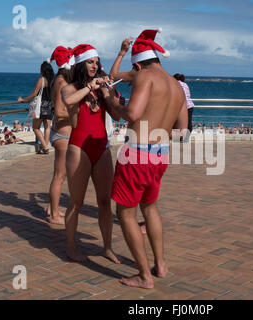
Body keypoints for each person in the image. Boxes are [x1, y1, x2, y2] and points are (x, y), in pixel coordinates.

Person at [104, 29, 188, 289]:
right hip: (161, 154)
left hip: (137, 154)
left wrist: (110, 100)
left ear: (138, 64)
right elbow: (181, 130)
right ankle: (160, 265)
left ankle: (144, 276)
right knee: (150, 207)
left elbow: (132, 113)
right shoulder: (177, 85)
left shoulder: (144, 77)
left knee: (126, 213)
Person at [61, 44, 121, 264]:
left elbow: (116, 117)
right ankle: (70, 248)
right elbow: (68, 101)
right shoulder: (70, 87)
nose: (95, 65)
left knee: (105, 201)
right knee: (75, 202)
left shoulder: (102, 87)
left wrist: (109, 95)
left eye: (97, 62)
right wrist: (89, 87)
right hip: (79, 148)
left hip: (101, 147)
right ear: (80, 64)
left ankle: (107, 247)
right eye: (90, 61)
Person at [46, 46, 75, 225]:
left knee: (60, 176)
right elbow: (59, 111)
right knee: (59, 176)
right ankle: (54, 215)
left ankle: (52, 208)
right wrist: (78, 113)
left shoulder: (58, 79)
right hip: (63, 135)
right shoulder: (62, 83)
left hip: (61, 133)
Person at [18, 61, 55, 154]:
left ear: (43, 70)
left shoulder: (41, 80)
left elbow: (35, 94)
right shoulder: (53, 80)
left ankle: (45, 147)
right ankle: (45, 147)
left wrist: (23, 99)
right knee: (47, 128)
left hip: (40, 107)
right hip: (50, 106)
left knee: (36, 128)